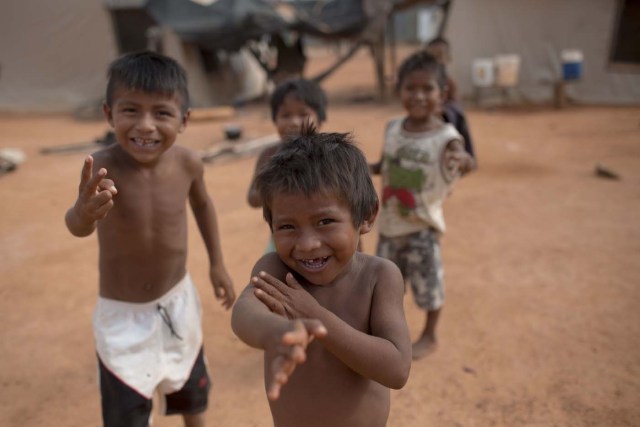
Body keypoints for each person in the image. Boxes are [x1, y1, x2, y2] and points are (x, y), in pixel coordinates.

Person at [64, 51, 236, 427]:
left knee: (192, 395)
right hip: (122, 318)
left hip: (178, 305)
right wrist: (84, 212)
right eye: (131, 111)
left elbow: (203, 206)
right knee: (126, 411)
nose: (145, 126)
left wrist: (217, 264)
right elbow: (77, 225)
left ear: (184, 120)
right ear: (109, 114)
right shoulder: (102, 169)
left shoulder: (189, 163)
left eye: (161, 113)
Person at [231, 127, 411, 427]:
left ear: (366, 215)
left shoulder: (379, 277)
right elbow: (244, 311)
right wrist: (274, 331)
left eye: (325, 221)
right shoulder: (277, 269)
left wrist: (316, 317)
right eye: (287, 227)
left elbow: (396, 369)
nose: (307, 244)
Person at [370, 51, 474, 360]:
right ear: (398, 90)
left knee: (429, 286)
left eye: (427, 89)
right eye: (410, 88)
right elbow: (384, 164)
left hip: (422, 228)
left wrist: (463, 160)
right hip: (388, 225)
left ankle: (430, 334)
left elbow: (464, 157)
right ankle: (390, 334)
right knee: (387, 286)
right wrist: (365, 168)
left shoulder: (446, 136)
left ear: (442, 94)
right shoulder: (392, 128)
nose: (418, 96)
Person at [246, 78, 328, 252]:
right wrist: (279, 189)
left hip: (324, 241)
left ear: (320, 118)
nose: (294, 122)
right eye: (285, 115)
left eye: (303, 114)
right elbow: (253, 198)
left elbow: (350, 207)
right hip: (282, 244)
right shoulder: (269, 155)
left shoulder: (329, 156)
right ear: (274, 120)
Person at [426, 36, 477, 171]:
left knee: (458, 118)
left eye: (440, 56)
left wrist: (444, 110)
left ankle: (462, 155)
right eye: (432, 57)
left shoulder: (449, 82)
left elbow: (455, 103)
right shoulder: (425, 80)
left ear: (448, 58)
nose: (437, 60)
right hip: (428, 116)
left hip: (446, 117)